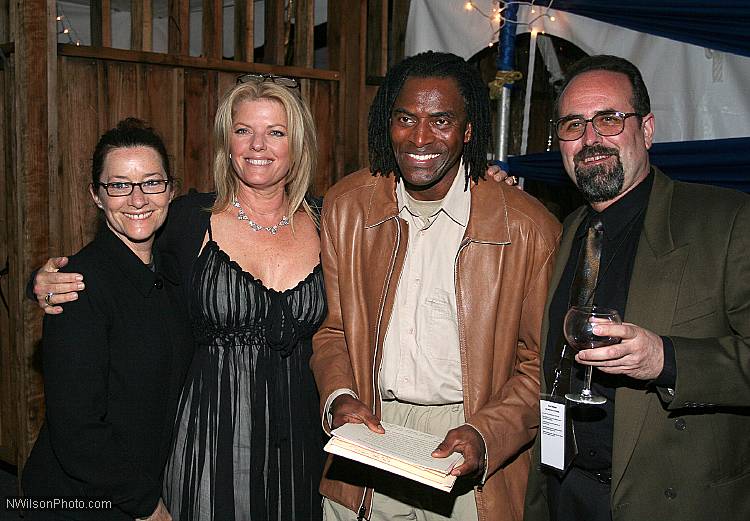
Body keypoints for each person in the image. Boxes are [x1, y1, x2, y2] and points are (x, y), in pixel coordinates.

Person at [28, 76, 328, 521]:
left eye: (276, 131)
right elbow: (119, 258)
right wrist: (42, 279)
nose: (257, 144)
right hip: (210, 439)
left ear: (297, 144)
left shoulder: (330, 222)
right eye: (243, 130)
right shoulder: (188, 220)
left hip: (299, 437)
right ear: (226, 142)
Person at [310, 51, 561, 521]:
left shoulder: (528, 228)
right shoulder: (347, 208)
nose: (420, 138)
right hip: (371, 431)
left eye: (441, 120)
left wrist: (487, 434)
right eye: (406, 118)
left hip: (468, 434)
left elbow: (541, 366)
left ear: (468, 131)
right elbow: (334, 332)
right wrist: (339, 395)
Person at [522, 55, 750, 521]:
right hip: (564, 492)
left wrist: (667, 360)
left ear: (646, 130)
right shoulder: (567, 231)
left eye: (609, 119)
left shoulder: (725, 221)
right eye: (573, 125)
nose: (591, 139)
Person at [22, 118, 193, 520]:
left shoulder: (171, 273)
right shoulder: (76, 286)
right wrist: (147, 506)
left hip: (141, 484)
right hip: (81, 501)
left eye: (151, 182)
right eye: (118, 185)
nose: (137, 199)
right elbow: (77, 431)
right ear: (97, 196)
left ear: (170, 190)